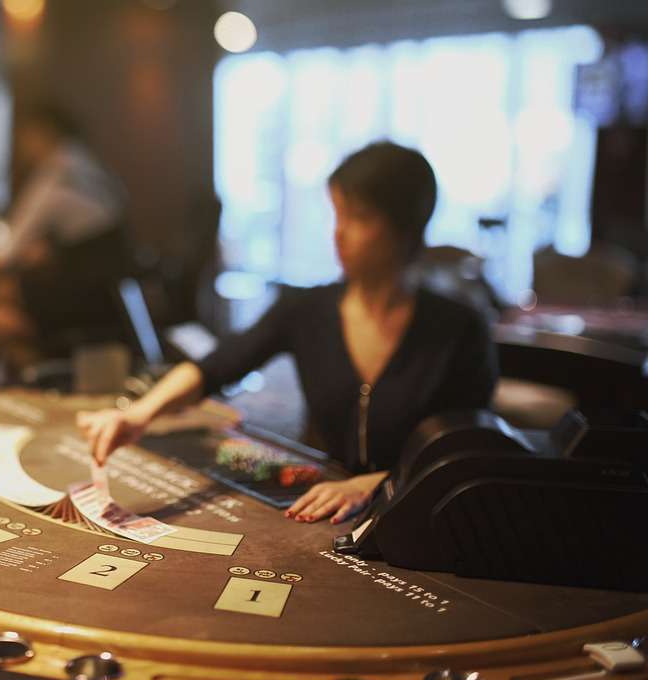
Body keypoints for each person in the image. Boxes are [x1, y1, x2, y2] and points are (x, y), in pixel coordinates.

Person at [77, 142, 498, 525]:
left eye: (360, 217)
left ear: (407, 227)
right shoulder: (307, 308)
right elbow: (218, 366)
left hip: (418, 517)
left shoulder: (458, 327)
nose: (339, 232)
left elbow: (464, 452)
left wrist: (373, 483)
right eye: (337, 214)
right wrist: (138, 414)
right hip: (324, 511)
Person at [0, 104, 126, 384]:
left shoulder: (59, 173)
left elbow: (7, 250)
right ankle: (0, 385)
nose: (22, 144)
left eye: (26, 135)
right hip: (114, 289)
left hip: (92, 297)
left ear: (43, 132)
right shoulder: (84, 165)